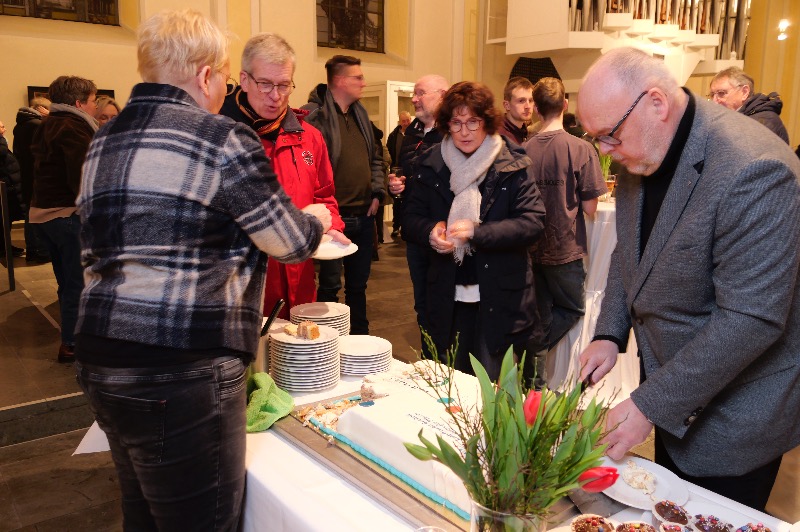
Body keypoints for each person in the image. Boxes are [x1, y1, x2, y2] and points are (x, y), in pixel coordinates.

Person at [74, 10, 330, 531]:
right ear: (206, 75)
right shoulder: (221, 138)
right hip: (183, 365)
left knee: (143, 515)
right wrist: (317, 219)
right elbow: (289, 242)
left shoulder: (105, 137)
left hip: (101, 355)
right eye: (228, 77)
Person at [577, 47, 800, 511]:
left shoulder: (754, 168)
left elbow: (750, 319)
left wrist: (649, 405)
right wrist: (608, 333)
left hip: (735, 414)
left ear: (656, 103)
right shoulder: (641, 146)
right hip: (671, 387)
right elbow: (631, 251)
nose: (604, 151)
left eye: (609, 135)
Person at [403, 81, 545, 380]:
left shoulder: (513, 163)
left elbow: (532, 223)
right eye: (456, 123)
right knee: (449, 388)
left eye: (473, 122)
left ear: (487, 122)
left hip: (499, 297)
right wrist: (430, 230)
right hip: (446, 295)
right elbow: (411, 218)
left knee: (491, 390)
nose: (464, 132)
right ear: (446, 125)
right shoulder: (430, 164)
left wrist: (478, 232)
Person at [220, 32, 347, 320]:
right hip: (246, 289)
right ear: (244, 80)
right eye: (265, 84)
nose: (276, 96)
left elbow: (324, 196)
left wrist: (332, 227)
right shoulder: (223, 138)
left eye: (284, 85)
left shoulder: (310, 138)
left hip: (300, 281)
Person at [523, 77, 606, 388]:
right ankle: (532, 358)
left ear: (536, 108)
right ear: (565, 105)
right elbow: (590, 207)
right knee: (573, 308)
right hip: (564, 246)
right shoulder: (580, 148)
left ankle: (533, 381)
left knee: (541, 313)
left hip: (531, 246)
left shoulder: (523, 150)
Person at [303, 55, 385, 335]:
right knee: (329, 287)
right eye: (357, 77)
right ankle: (326, 341)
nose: (363, 82)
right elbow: (311, 170)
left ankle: (360, 339)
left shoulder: (361, 116)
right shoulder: (316, 118)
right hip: (334, 221)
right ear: (339, 81)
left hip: (364, 215)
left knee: (358, 287)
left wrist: (377, 192)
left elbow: (376, 158)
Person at [30, 76, 98, 362]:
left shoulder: (49, 123)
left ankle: (71, 338)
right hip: (66, 214)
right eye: (93, 101)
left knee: (67, 283)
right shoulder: (72, 127)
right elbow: (81, 177)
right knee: (77, 285)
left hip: (45, 215)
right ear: (79, 103)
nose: (94, 107)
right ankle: (72, 343)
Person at [388, 74, 449, 355]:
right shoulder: (411, 132)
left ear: (443, 95)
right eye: (414, 93)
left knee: (443, 304)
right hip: (416, 233)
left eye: (421, 93)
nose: (414, 99)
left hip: (444, 233)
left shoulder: (452, 133)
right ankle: (430, 361)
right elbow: (405, 175)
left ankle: (447, 364)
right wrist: (396, 187)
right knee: (421, 304)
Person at [13, 97, 51, 263]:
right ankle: (40, 251)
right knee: (38, 213)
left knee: (31, 213)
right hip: (37, 175)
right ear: (41, 108)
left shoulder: (20, 125)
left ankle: (33, 250)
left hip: (26, 174)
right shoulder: (37, 125)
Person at [708, 66, 790, 144]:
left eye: (721, 93)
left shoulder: (763, 123)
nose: (714, 101)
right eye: (712, 95)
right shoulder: (732, 119)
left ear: (744, 92)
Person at [0, 121, 25, 256]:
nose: (4, 129)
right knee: (4, 220)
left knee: (7, 219)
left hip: (9, 187)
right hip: (5, 187)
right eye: (1, 127)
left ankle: (6, 246)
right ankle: (4, 248)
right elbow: (2, 152)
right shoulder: (1, 142)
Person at [386, 110, 412, 238]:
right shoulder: (393, 136)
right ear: (399, 122)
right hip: (396, 171)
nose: (406, 123)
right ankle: (396, 226)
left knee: (409, 199)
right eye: (403, 121)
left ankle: (407, 227)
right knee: (397, 201)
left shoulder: (414, 134)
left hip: (410, 172)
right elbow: (389, 152)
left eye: (408, 120)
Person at [497, 76, 534, 146]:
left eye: (530, 100)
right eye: (521, 101)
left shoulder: (527, 132)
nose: (528, 106)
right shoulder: (499, 136)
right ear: (507, 105)